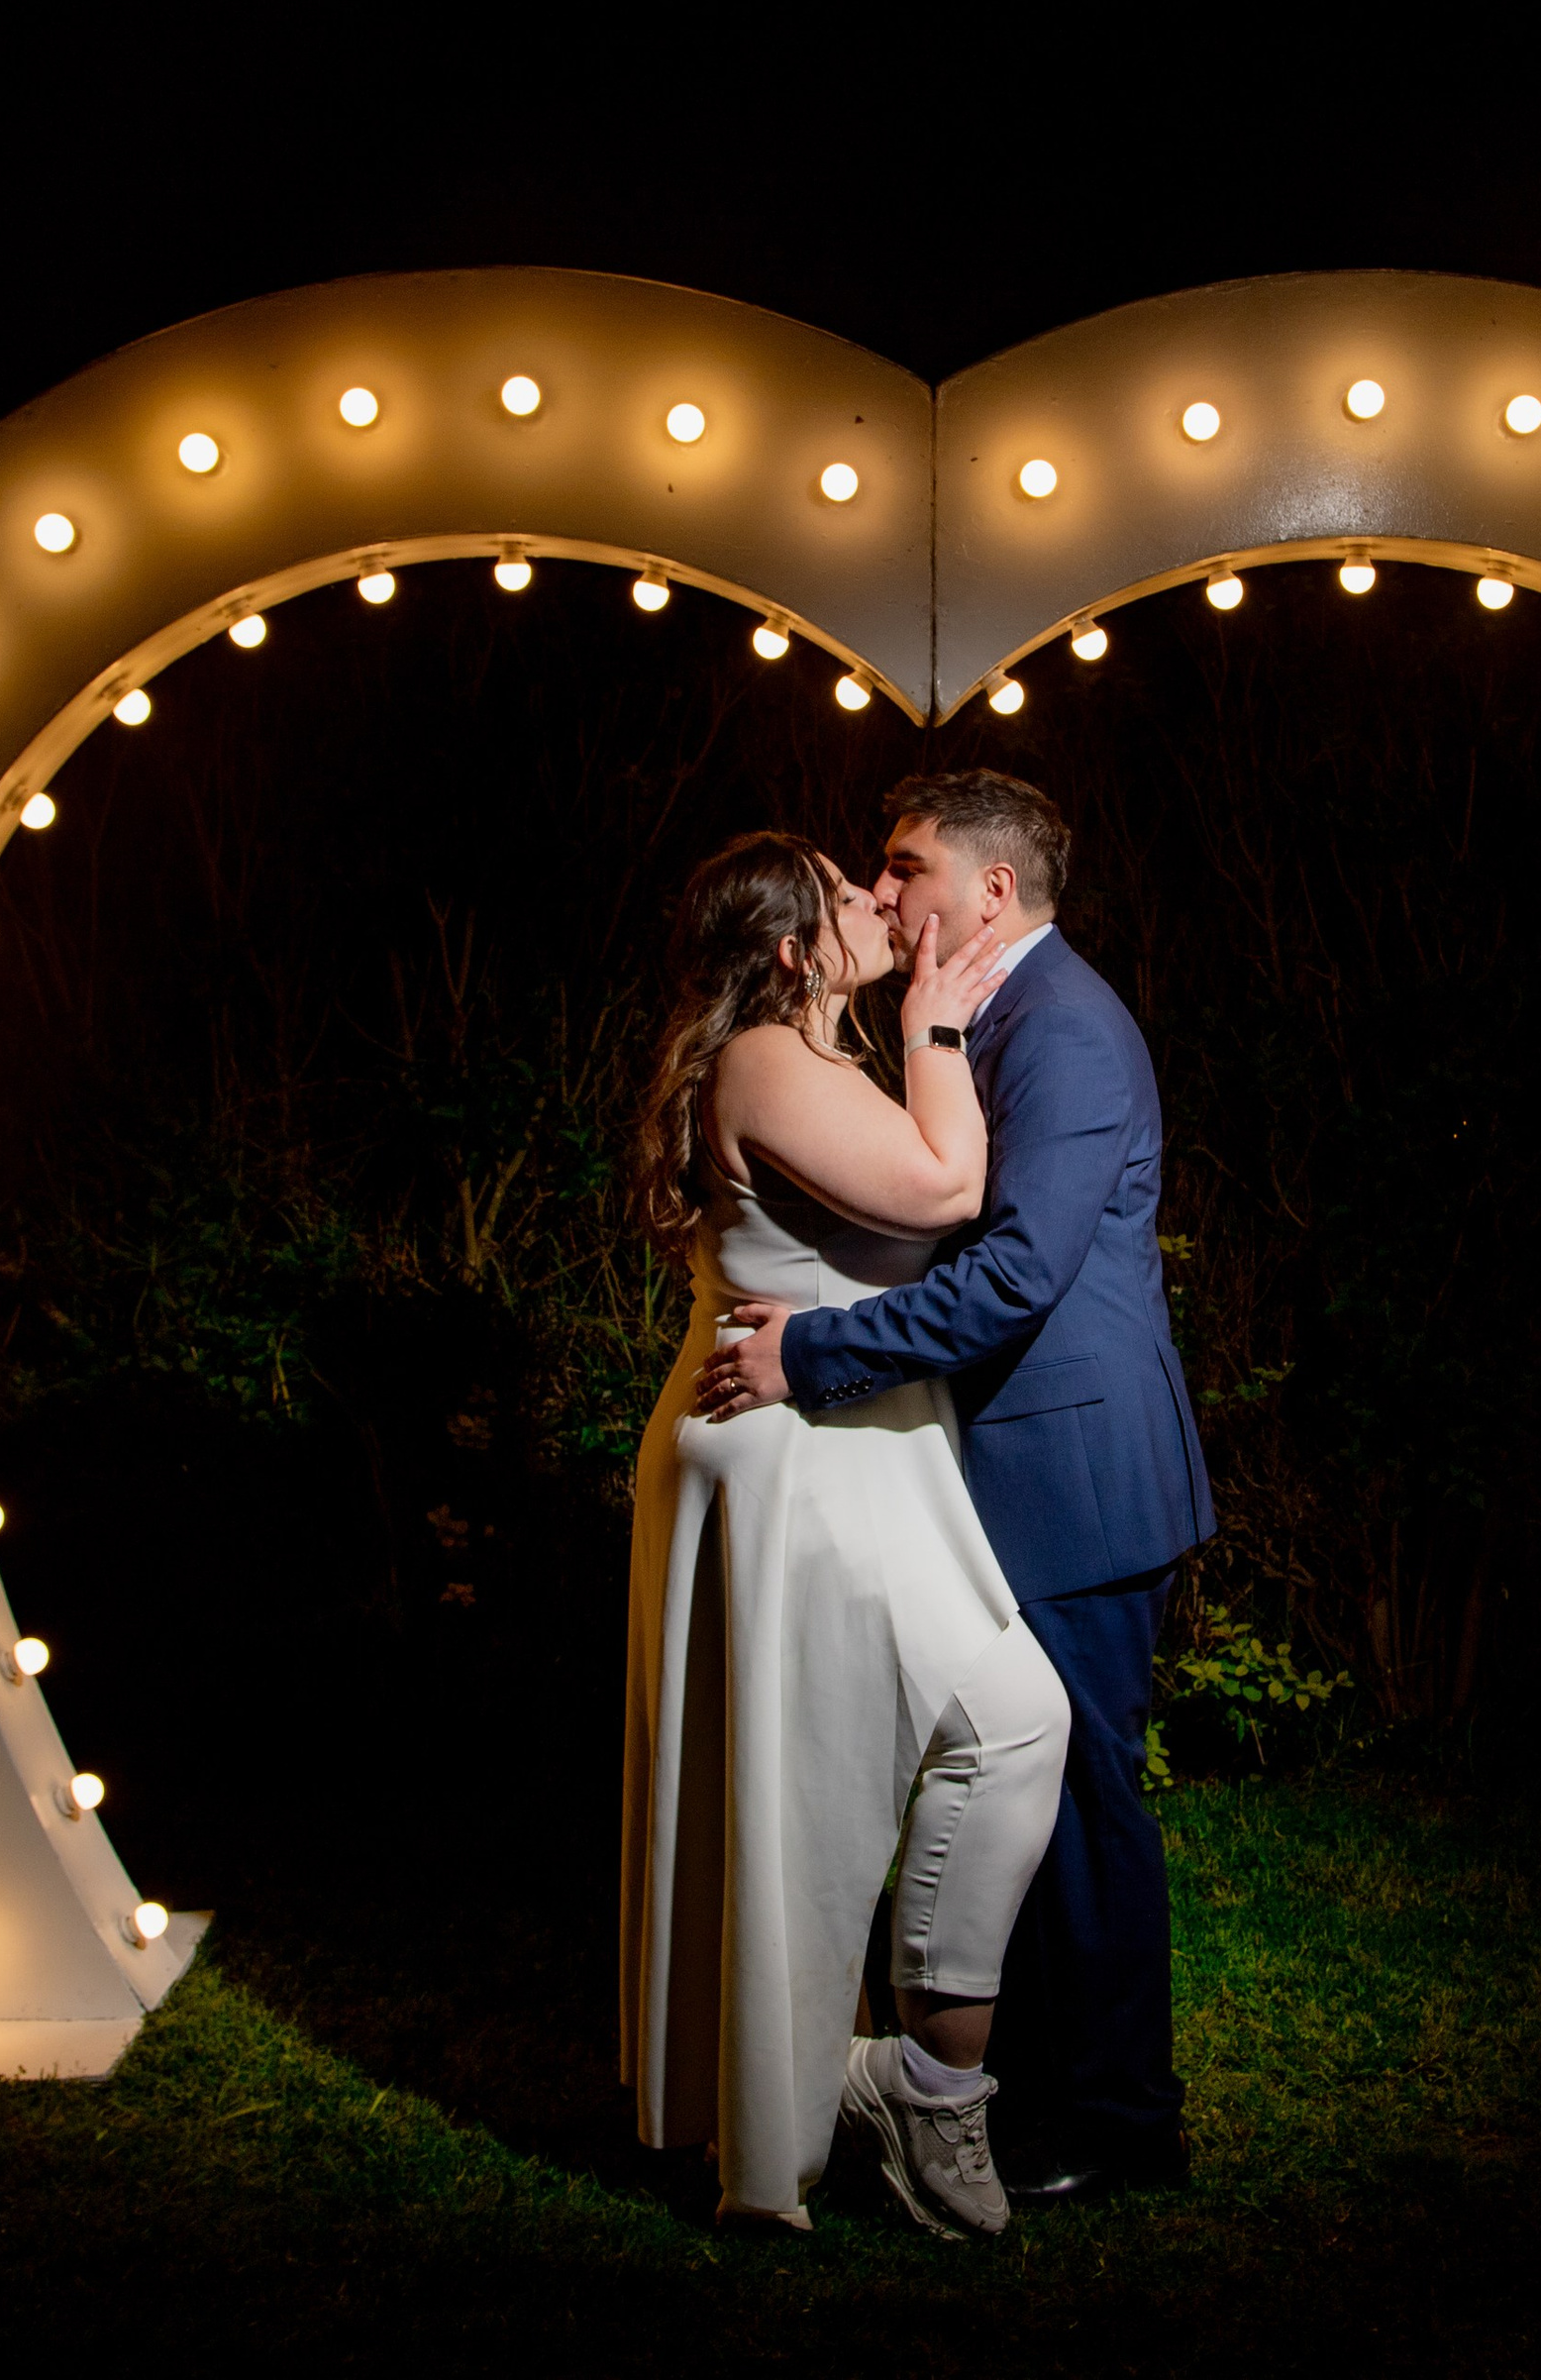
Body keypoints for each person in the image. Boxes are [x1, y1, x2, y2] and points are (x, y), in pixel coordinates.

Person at [695, 771, 1210, 2205]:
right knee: (1021, 1789)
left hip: (1075, 1469)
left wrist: (820, 1353)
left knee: (1087, 1800)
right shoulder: (976, 1021)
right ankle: (997, 2086)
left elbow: (1019, 1272)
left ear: (989, 891)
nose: (886, 889)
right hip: (991, 1464)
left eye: (905, 864)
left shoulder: (1068, 1033)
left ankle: (1118, 2122)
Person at [622, 830, 1072, 2238]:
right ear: (789, 950)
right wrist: (938, 1020)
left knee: (995, 1726)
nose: (885, 899)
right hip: (794, 1467)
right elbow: (946, 1191)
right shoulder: (764, 1055)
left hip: (849, 1447)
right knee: (852, 1778)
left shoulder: (814, 1056)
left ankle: (890, 2076)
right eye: (849, 890)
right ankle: (850, 2100)